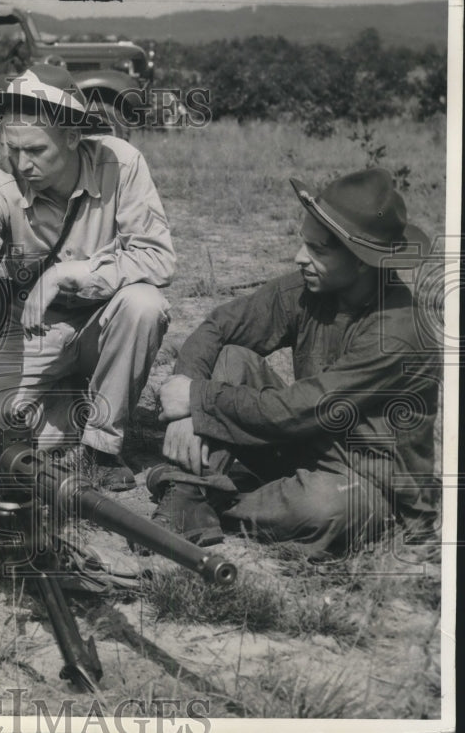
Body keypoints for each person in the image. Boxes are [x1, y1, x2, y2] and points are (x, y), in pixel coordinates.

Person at [149, 167, 440, 557]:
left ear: (361, 261)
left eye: (318, 250)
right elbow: (219, 327)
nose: (300, 258)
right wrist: (184, 399)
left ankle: (203, 497)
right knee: (232, 355)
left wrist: (198, 400)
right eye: (304, 243)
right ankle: (191, 494)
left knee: (322, 508)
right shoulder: (309, 289)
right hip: (302, 444)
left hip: (367, 479)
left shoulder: (400, 333)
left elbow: (305, 408)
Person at [0, 65, 175, 487]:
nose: (23, 163)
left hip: (105, 327)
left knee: (144, 305)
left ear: (74, 137)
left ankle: (101, 447)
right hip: (34, 329)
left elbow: (157, 258)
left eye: (37, 150)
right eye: (13, 148)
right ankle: (73, 404)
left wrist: (68, 273)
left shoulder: (122, 162)